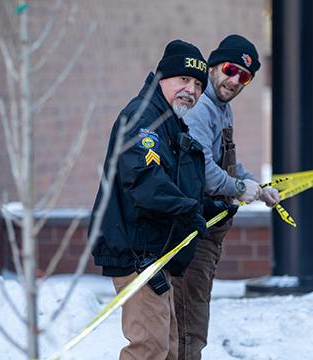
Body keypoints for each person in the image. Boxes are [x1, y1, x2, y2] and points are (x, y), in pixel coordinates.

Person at [90, 39, 222, 360]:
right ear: (162, 77)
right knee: (149, 349)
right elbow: (144, 179)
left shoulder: (170, 124)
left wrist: (205, 205)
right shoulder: (141, 119)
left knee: (168, 349)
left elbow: (177, 181)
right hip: (137, 254)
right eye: (183, 80)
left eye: (197, 84)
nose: (190, 90)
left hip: (157, 256)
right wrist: (189, 210)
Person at [172, 34, 280, 359]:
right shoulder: (200, 108)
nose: (235, 80)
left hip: (207, 233)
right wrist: (237, 188)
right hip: (191, 234)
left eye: (244, 77)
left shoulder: (222, 108)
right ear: (214, 65)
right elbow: (202, 170)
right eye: (230, 70)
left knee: (192, 323)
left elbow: (225, 159)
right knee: (188, 328)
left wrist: (255, 186)